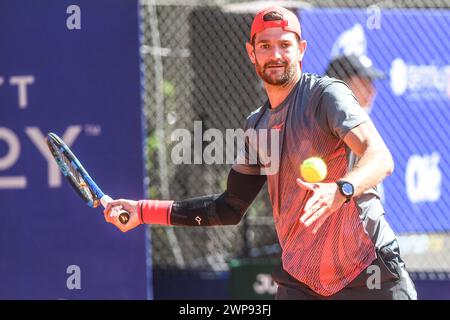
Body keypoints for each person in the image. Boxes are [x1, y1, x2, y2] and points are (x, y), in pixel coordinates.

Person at [104, 6, 417, 300]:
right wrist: (143, 211)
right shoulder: (257, 127)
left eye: (284, 44)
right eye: (265, 46)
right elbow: (229, 207)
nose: (276, 54)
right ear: (251, 52)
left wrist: (341, 189)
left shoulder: (327, 96)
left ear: (302, 49)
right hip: (303, 281)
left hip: (367, 270)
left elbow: (379, 157)